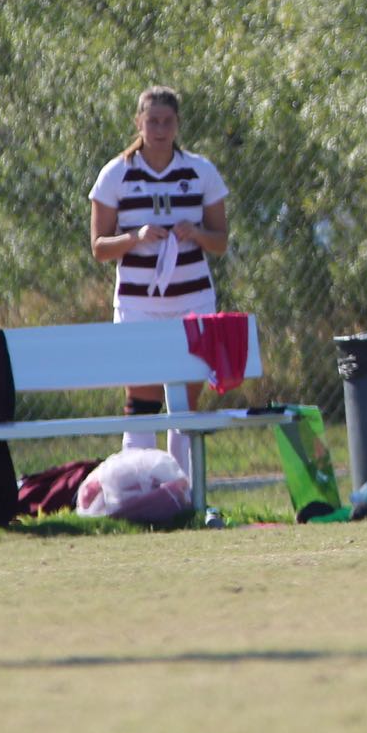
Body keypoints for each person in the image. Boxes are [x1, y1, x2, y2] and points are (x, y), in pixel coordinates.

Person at [88, 86, 230, 470]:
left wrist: (196, 233)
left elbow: (220, 241)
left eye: (168, 121)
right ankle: (138, 487)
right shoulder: (116, 173)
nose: (160, 129)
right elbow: (99, 247)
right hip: (138, 304)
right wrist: (135, 237)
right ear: (139, 123)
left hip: (193, 300)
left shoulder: (200, 171)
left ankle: (183, 491)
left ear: (178, 124)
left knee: (185, 401)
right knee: (143, 400)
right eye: (152, 121)